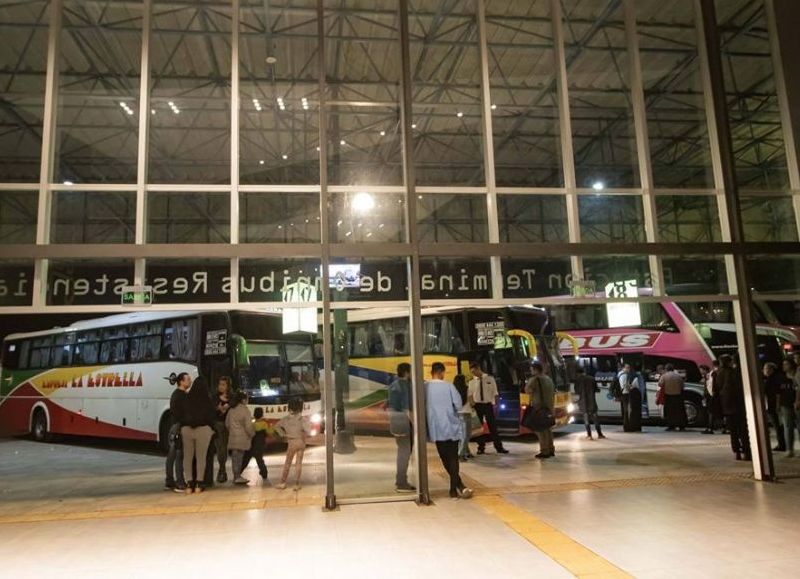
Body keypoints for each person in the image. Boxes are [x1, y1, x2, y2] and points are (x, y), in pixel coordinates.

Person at [426, 362, 473, 499]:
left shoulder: (425, 387)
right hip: (451, 427)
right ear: (441, 372)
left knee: (444, 458)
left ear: (432, 372)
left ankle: (458, 487)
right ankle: (454, 489)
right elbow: (458, 405)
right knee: (453, 458)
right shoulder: (449, 386)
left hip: (435, 428)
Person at [174, 376, 216, 493]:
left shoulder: (187, 397)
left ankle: (189, 484)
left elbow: (181, 414)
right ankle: (199, 483)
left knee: (188, 457)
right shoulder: (206, 399)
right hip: (203, 430)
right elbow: (211, 415)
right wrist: (211, 428)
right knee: (201, 457)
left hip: (187, 429)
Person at [467, 362, 508, 455]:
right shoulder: (471, 381)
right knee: (479, 429)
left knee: (493, 427)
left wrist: (497, 405)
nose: (473, 374)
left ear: (478, 368)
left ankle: (499, 447)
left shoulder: (490, 378)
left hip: (488, 405)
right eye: (472, 372)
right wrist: (473, 406)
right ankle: (481, 448)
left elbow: (495, 393)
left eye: (474, 371)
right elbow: (470, 395)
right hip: (477, 406)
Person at [387, 363, 415, 493]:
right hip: (404, 423)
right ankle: (401, 482)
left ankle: (401, 480)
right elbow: (406, 408)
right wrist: (416, 424)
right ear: (406, 372)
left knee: (402, 451)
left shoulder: (393, 384)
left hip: (395, 423)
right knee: (405, 452)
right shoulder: (404, 386)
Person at [717, 354, 751, 461]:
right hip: (738, 405)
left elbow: (718, 388)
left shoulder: (719, 373)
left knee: (733, 431)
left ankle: (737, 452)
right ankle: (746, 451)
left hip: (727, 405)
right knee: (743, 429)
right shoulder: (736, 373)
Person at [275, 397, 311, 490]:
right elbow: (308, 430)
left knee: (288, 462)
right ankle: (296, 484)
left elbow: (277, 427)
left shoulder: (286, 419)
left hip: (291, 442)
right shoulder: (302, 419)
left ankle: (283, 482)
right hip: (301, 441)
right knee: (298, 463)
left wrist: (283, 434)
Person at [165, 372, 190, 492]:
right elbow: (181, 413)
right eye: (188, 379)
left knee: (172, 455)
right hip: (179, 427)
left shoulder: (176, 394)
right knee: (179, 454)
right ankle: (180, 482)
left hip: (175, 426)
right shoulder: (181, 395)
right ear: (181, 381)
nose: (189, 381)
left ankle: (169, 480)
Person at [526, 362, 556, 459]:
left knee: (540, 430)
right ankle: (551, 449)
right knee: (548, 429)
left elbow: (527, 390)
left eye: (531, 370)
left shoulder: (534, 380)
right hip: (549, 408)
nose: (531, 371)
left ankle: (544, 451)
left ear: (535, 370)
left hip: (539, 408)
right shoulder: (549, 379)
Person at [225, 390, 255, 484]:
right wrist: (252, 434)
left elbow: (227, 424)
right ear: (243, 400)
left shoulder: (231, 409)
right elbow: (248, 426)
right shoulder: (245, 410)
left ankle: (236, 476)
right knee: (240, 457)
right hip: (242, 438)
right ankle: (237, 476)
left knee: (235, 458)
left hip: (233, 437)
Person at [242, 407, 271, 483]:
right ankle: (264, 473)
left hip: (251, 445)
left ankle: (239, 472)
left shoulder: (252, 424)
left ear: (254, 415)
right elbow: (269, 432)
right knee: (260, 460)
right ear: (262, 415)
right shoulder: (264, 424)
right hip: (260, 445)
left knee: (246, 459)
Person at [575, 367, 604, 439]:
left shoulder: (578, 380)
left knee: (586, 419)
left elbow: (577, 391)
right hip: (592, 401)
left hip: (583, 403)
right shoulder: (591, 378)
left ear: (578, 373)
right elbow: (596, 389)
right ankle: (600, 434)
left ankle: (589, 435)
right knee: (595, 418)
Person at [213, 377, 232, 483]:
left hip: (228, 425)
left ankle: (223, 471)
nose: (221, 386)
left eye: (223, 384)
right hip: (218, 425)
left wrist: (227, 406)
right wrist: (218, 409)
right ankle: (222, 470)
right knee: (221, 448)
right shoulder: (215, 397)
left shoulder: (231, 398)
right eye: (220, 384)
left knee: (224, 448)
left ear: (228, 386)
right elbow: (211, 410)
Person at [762, 362, 785, 451]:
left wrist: (777, 405)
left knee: (777, 425)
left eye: (765, 369)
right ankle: (782, 443)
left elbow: (777, 393)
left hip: (773, 404)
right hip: (773, 404)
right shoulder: (774, 378)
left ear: (770, 369)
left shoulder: (772, 379)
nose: (764, 371)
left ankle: (781, 444)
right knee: (778, 425)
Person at [778, 359, 798, 457]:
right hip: (785, 404)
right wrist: (778, 405)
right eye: (783, 364)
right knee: (788, 427)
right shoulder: (781, 378)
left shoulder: (796, 376)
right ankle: (789, 449)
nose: (784, 366)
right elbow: (778, 393)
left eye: (786, 364)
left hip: (797, 404)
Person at [659, 364, 687, 431]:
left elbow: (660, 384)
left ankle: (671, 426)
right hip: (678, 396)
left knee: (670, 412)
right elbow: (682, 386)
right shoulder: (678, 376)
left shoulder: (664, 376)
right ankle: (681, 426)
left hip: (668, 396)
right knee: (680, 412)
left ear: (666, 369)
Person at [453, 374, 474, 461]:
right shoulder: (467, 389)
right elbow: (472, 402)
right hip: (466, 413)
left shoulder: (453, 390)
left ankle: (467, 452)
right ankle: (460, 454)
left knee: (461, 435)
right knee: (466, 435)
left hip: (456, 414)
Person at [618, 363, 641, 432]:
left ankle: (628, 426)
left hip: (626, 393)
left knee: (627, 410)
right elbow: (623, 386)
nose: (628, 369)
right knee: (626, 411)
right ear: (623, 368)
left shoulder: (623, 374)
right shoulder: (623, 375)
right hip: (625, 394)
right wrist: (630, 386)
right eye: (627, 367)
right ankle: (627, 427)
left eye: (629, 367)